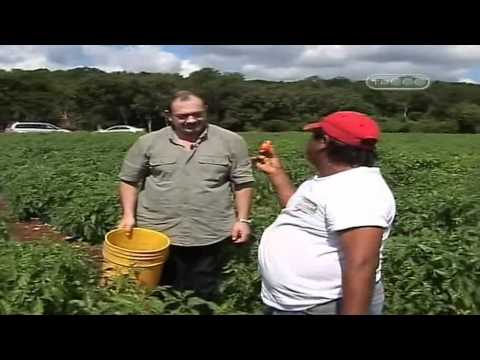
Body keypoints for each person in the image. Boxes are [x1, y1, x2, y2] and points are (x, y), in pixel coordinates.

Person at [117, 90, 255, 301]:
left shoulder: (231, 141)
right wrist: (128, 215)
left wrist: (243, 220)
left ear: (205, 111)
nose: (191, 120)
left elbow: (243, 182)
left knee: (204, 288)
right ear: (169, 116)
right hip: (158, 229)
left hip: (210, 230)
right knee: (159, 289)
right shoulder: (148, 142)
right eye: (182, 116)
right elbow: (129, 179)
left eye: (197, 114)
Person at [255, 111, 396, 315]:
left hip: (324, 306)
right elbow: (301, 214)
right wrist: (277, 174)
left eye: (314, 137)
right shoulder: (332, 181)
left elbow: (362, 264)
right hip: (302, 304)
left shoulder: (359, 191)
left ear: (324, 142)